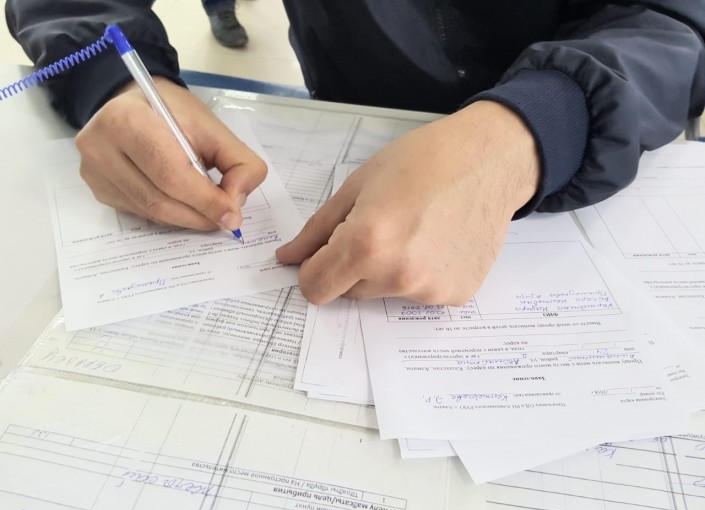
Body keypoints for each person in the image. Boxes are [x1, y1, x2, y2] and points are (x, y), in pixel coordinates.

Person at [5, 1, 705, 307]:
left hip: (604, 141)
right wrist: (115, 80)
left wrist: (536, 126)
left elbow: (678, 21)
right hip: (345, 104)